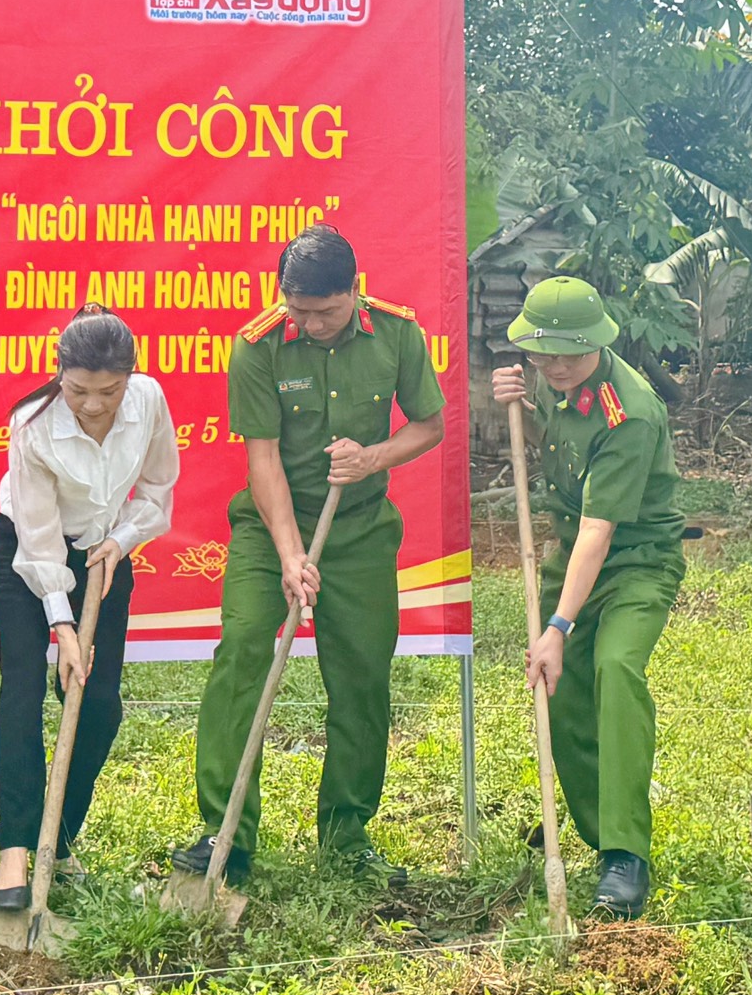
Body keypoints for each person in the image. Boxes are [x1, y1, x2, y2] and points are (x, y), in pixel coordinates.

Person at [172, 225, 446, 888]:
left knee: (361, 676)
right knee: (240, 649)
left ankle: (347, 836)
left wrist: (373, 457)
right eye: (299, 309)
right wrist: (292, 556)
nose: (312, 323)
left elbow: (429, 425)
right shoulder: (258, 346)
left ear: (355, 291)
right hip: (270, 531)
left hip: (360, 533)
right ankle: (226, 831)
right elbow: (261, 462)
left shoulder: (399, 335)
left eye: (325, 310)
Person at [489, 276, 687, 920]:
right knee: (563, 692)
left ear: (598, 343)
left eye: (567, 356)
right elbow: (547, 459)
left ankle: (626, 855)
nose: (554, 367)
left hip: (635, 562)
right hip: (568, 554)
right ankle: (595, 830)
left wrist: (557, 625)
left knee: (615, 669)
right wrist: (512, 402)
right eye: (542, 356)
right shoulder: (549, 381)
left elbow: (602, 532)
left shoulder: (629, 414)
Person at [0, 308, 178, 912]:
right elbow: (38, 538)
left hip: (105, 553)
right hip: (26, 558)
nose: (93, 405)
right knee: (23, 690)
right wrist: (62, 626)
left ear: (130, 377)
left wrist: (123, 540)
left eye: (108, 391)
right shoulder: (32, 424)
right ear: (58, 375)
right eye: (78, 391)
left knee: (99, 704)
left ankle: (58, 840)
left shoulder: (148, 401)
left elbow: (157, 488)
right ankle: (16, 849)